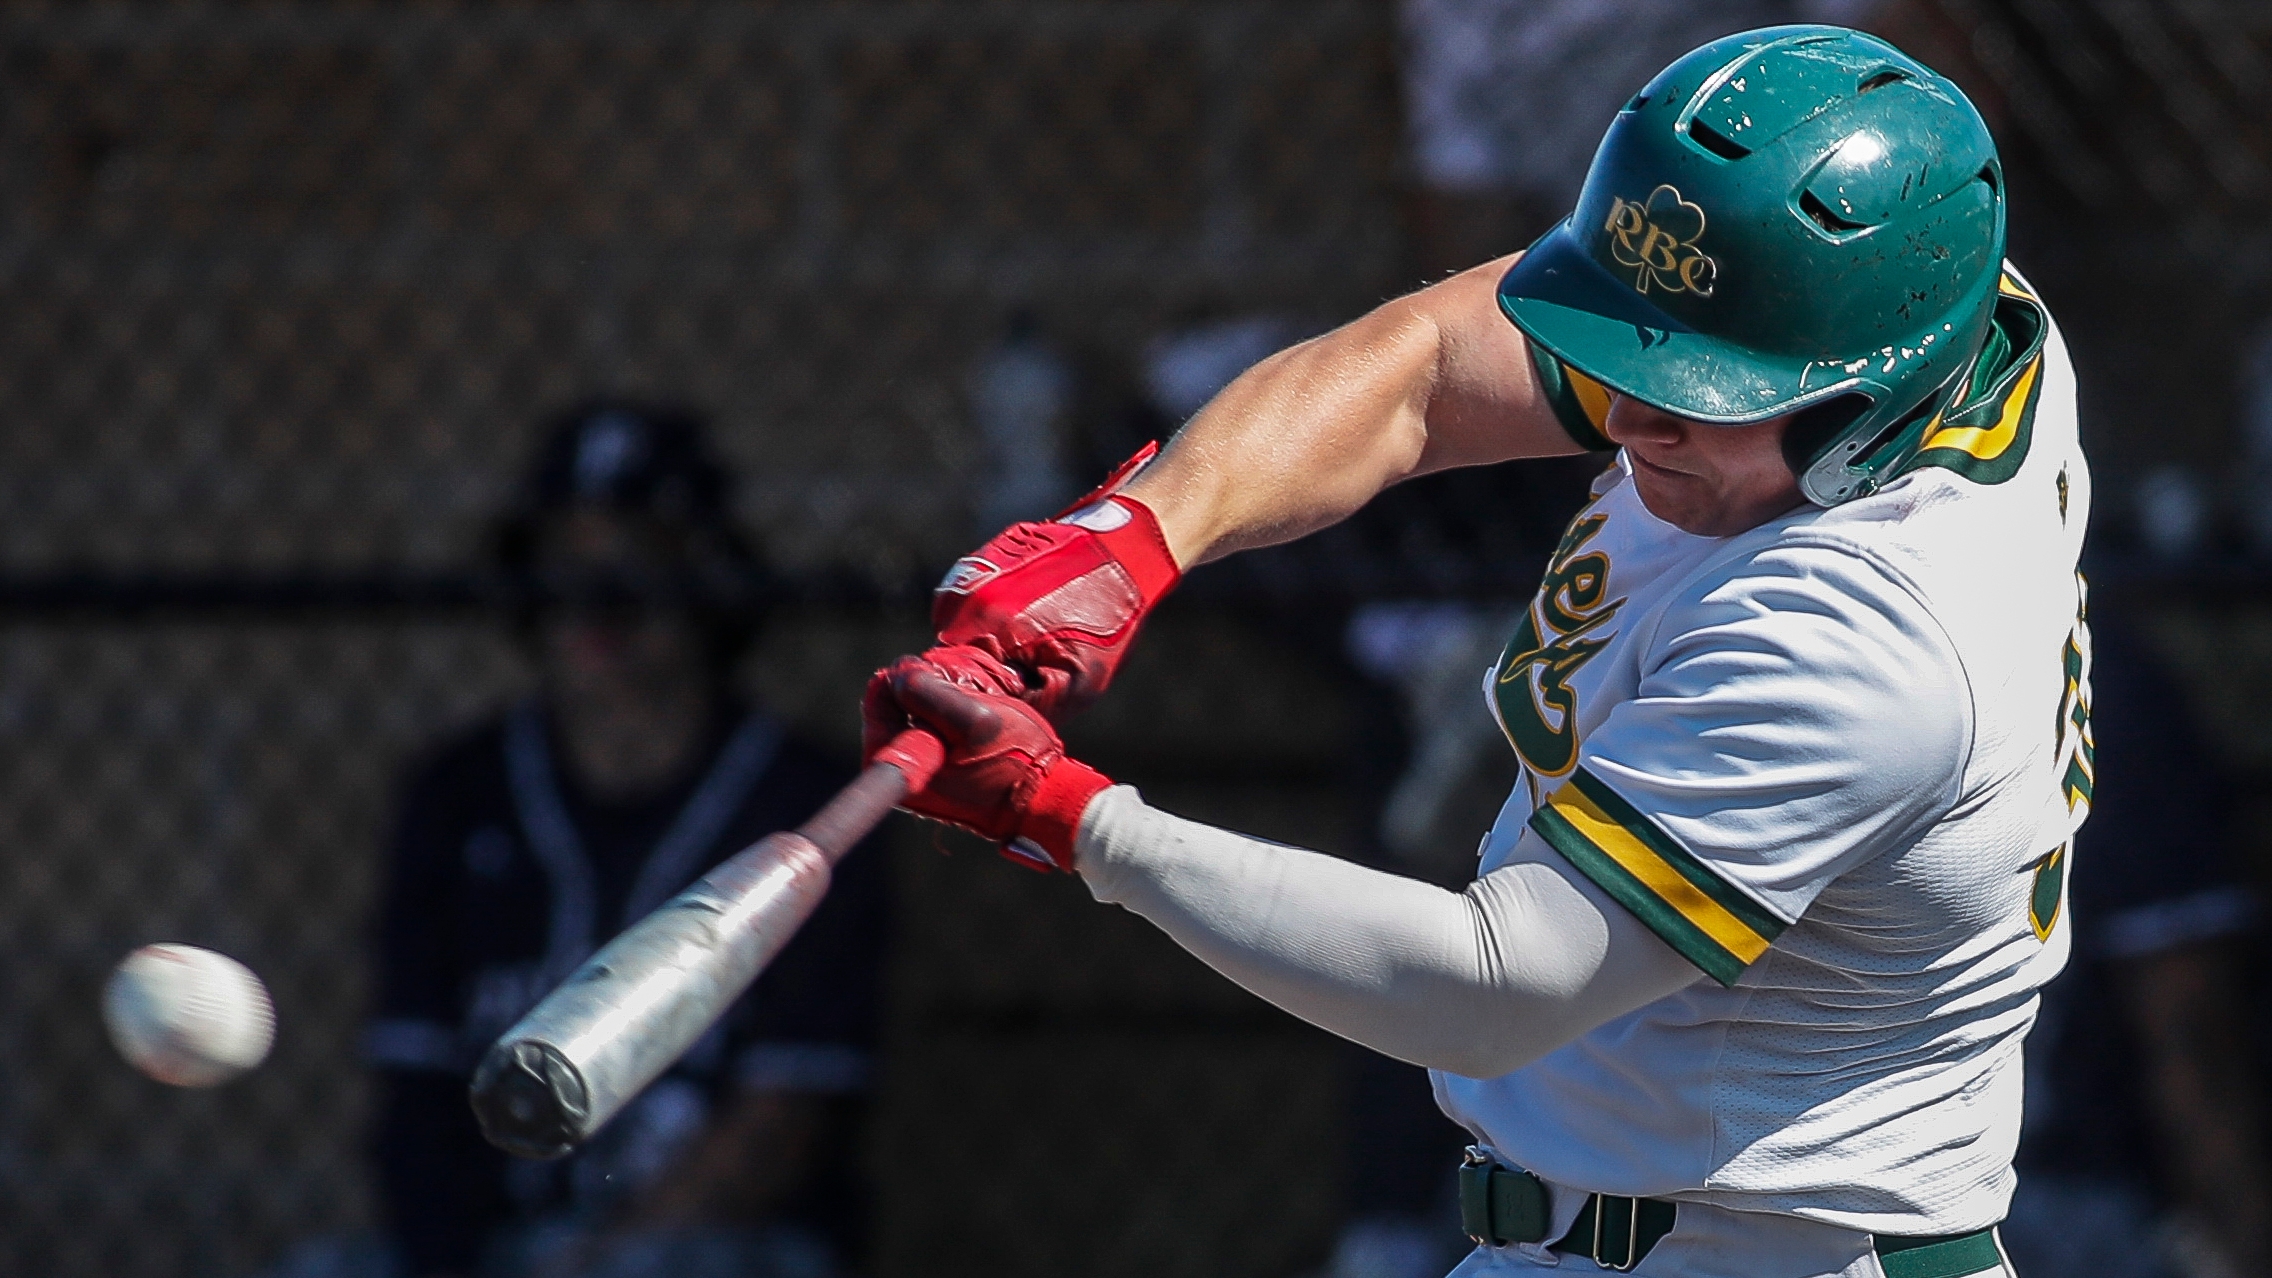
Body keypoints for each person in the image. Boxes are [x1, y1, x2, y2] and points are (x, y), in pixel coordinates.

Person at [867, 25, 2088, 1278]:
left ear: (1867, 400)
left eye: (1702, 391)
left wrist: (1075, 820)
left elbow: (1495, 983)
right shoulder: (1947, 315)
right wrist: (1133, 538)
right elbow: (1429, 367)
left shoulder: (1862, 630)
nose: (1630, 418)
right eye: (1631, 356)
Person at [365, 401, 886, 1278]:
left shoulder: (805, 804)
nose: (598, 601)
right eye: (568, 563)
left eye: (640, 562)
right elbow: (413, 1103)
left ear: (708, 578)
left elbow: (783, 1121)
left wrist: (601, 1261)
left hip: (709, 1249)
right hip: (497, 1252)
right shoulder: (456, 794)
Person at [2000, 616, 2272, 1278]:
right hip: (2044, 1192)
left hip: (1922, 1183)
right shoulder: (2099, 677)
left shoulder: (2094, 672)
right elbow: (2186, 1025)